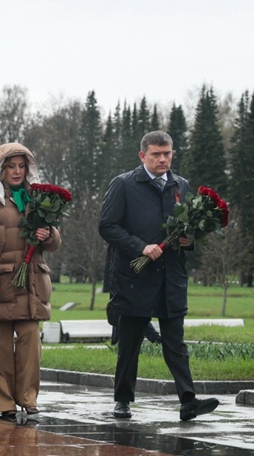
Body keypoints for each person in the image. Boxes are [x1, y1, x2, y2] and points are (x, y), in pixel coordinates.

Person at [99, 130, 219, 422]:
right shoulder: (124, 184)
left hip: (171, 278)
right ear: (143, 156)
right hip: (134, 277)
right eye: (156, 154)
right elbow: (107, 226)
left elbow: (186, 229)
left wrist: (188, 240)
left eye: (167, 153)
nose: (163, 159)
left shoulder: (181, 185)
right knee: (130, 344)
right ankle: (123, 400)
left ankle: (188, 401)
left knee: (175, 343)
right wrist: (140, 247)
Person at [0, 143, 61, 418]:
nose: (17, 171)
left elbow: (55, 241)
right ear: (0, 169)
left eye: (21, 166)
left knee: (30, 340)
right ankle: (1, 402)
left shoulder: (37, 199)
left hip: (31, 283)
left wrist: (48, 235)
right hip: (0, 282)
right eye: (11, 166)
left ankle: (28, 398)